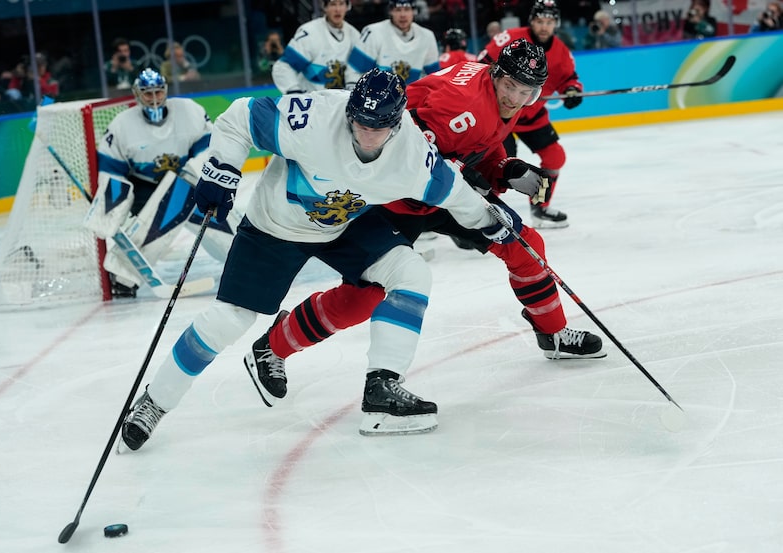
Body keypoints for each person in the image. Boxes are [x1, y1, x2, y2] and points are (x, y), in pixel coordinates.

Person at [120, 68, 518, 448]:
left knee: (411, 272)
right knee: (229, 319)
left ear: (397, 124)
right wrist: (221, 170)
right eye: (360, 122)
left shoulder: (413, 154)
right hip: (275, 227)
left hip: (346, 224)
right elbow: (240, 116)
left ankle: (382, 388)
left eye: (378, 126)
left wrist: (490, 220)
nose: (367, 134)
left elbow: (456, 195)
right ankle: (155, 401)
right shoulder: (314, 117)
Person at [243, 39, 605, 414]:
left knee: (524, 245)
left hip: (442, 193)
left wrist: (505, 169)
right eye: (511, 86)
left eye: (526, 92)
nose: (515, 98)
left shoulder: (496, 91)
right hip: (394, 195)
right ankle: (273, 345)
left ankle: (552, 332)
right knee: (365, 296)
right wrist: (471, 179)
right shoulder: (462, 104)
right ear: (496, 74)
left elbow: (477, 143)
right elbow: (411, 152)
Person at [84, 68, 230, 298]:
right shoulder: (122, 125)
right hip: (145, 189)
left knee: (222, 223)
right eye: (148, 93)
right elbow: (112, 171)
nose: (154, 98)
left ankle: (243, 257)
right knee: (163, 214)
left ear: (166, 90)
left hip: (185, 181)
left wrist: (202, 181)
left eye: (158, 92)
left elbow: (208, 152)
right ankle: (123, 276)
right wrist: (111, 205)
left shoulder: (189, 111)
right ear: (138, 94)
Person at [477, 0, 583, 229]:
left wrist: (572, 91)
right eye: (540, 21)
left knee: (555, 157)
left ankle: (540, 208)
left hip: (531, 116)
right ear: (531, 21)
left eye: (549, 22)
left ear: (556, 24)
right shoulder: (510, 39)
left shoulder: (561, 51)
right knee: (498, 164)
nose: (544, 27)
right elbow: (481, 64)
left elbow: (569, 79)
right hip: (500, 114)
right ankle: (480, 215)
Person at [270, 0, 359, 93]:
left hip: (340, 100)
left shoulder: (354, 35)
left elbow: (357, 71)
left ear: (347, 7)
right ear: (325, 7)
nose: (337, 9)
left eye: (341, 4)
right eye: (333, 4)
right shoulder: (310, 33)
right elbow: (284, 66)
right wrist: (294, 92)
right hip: (310, 99)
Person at [346, 0, 441, 85]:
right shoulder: (373, 32)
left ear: (414, 11)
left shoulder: (427, 36)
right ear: (390, 11)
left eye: (407, 9)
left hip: (411, 96)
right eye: (398, 10)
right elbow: (354, 72)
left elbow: (434, 77)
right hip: (376, 96)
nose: (403, 15)